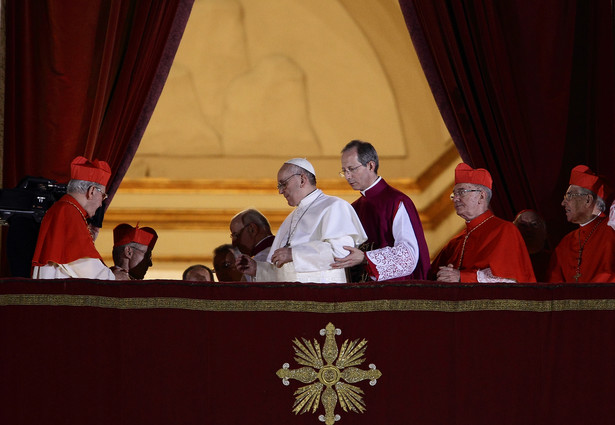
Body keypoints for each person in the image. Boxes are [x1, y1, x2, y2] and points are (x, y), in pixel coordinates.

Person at [236, 158, 367, 283]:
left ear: (302, 180)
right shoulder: (290, 219)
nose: (281, 191)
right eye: (279, 186)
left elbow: (341, 253)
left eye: (283, 184)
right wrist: (257, 269)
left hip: (324, 298)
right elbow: (286, 274)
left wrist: (294, 254)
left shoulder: (334, 206)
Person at [331, 140, 430, 281]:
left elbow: (408, 256)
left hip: (395, 292)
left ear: (370, 165)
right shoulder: (353, 209)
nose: (347, 176)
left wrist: (365, 258)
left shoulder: (397, 201)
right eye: (344, 171)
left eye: (352, 169)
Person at [430, 163, 535, 283]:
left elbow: (509, 279)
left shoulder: (505, 230)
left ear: (481, 196)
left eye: (462, 192)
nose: (455, 198)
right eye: (454, 194)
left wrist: (461, 277)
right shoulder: (455, 242)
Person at [32, 156, 117, 279]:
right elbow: (84, 265)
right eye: (103, 196)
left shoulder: (65, 209)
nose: (100, 204)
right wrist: (113, 278)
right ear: (92, 191)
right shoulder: (69, 212)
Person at [547, 165, 615, 282]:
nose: (563, 203)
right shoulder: (565, 243)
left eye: (569, 196)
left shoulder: (612, 229)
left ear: (588, 200)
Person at [513, 209, 551, 282]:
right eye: (523, 225)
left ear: (544, 231)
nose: (529, 229)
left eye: (534, 224)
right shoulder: (508, 260)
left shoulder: (554, 259)